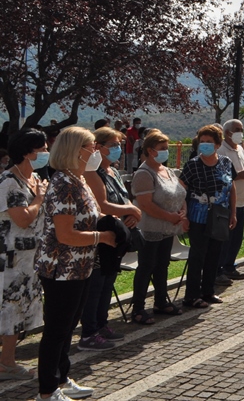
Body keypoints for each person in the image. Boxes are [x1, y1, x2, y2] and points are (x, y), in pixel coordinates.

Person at [36, 126, 117, 401]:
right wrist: (102, 236)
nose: (96, 152)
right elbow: (65, 234)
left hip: (80, 266)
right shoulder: (63, 184)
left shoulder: (78, 179)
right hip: (61, 268)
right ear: (75, 150)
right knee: (57, 330)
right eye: (91, 146)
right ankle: (47, 391)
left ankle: (61, 376)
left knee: (68, 327)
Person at [78, 127, 141, 349]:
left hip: (116, 235)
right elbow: (102, 205)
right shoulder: (91, 173)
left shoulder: (113, 172)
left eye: (119, 145)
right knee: (96, 284)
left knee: (107, 282)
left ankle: (102, 324)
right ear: (99, 147)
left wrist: (129, 214)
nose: (118, 149)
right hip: (100, 236)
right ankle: (89, 330)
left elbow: (124, 200)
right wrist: (130, 210)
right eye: (113, 145)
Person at [0, 128, 47, 381]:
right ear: (28, 152)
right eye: (42, 149)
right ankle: (6, 363)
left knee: (20, 311)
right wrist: (39, 199)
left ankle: (7, 360)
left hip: (30, 259)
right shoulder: (9, 181)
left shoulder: (33, 178)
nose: (46, 153)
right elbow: (23, 218)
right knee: (10, 311)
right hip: (11, 259)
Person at [130, 129, 187, 323]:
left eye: (166, 148)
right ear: (149, 150)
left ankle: (161, 301)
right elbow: (145, 204)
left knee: (163, 265)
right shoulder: (144, 173)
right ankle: (137, 307)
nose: (165, 151)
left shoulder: (167, 170)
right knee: (147, 266)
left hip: (168, 228)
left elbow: (180, 192)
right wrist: (169, 216)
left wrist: (182, 212)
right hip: (151, 228)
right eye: (161, 148)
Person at [180, 124, 237, 309]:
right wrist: (184, 215)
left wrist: (233, 212)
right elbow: (182, 190)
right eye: (202, 142)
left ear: (217, 144)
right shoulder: (193, 165)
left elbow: (231, 187)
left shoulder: (226, 163)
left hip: (219, 216)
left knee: (214, 255)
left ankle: (208, 291)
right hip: (198, 217)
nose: (204, 145)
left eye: (209, 142)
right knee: (198, 256)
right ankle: (192, 295)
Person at [216, 119, 244, 283]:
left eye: (242, 129)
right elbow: (222, 175)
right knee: (225, 238)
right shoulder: (221, 150)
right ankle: (218, 270)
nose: (240, 133)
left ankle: (229, 266)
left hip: (241, 201)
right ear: (227, 132)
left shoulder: (240, 149)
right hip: (227, 202)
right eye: (237, 129)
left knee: (236, 238)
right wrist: (239, 175)